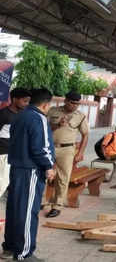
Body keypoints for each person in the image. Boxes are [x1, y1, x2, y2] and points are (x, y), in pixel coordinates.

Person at [1, 88, 56, 261]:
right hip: (31, 169)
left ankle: (9, 248)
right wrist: (48, 166)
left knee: (15, 209)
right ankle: (24, 253)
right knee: (28, 212)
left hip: (17, 167)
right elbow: (41, 148)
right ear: (46, 104)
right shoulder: (38, 118)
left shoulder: (19, 115)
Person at [44, 91, 89, 218]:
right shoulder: (53, 111)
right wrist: (58, 124)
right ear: (65, 101)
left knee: (63, 178)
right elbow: (44, 128)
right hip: (49, 147)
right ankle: (42, 201)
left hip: (67, 150)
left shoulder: (80, 116)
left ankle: (57, 205)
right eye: (72, 102)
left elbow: (85, 135)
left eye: (77, 104)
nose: (74, 106)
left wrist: (80, 152)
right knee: (44, 174)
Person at [0, 88, 31, 199]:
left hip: (16, 155)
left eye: (28, 101)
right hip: (4, 154)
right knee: (2, 182)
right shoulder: (3, 114)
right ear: (14, 99)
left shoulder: (23, 115)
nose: (26, 104)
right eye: (24, 101)